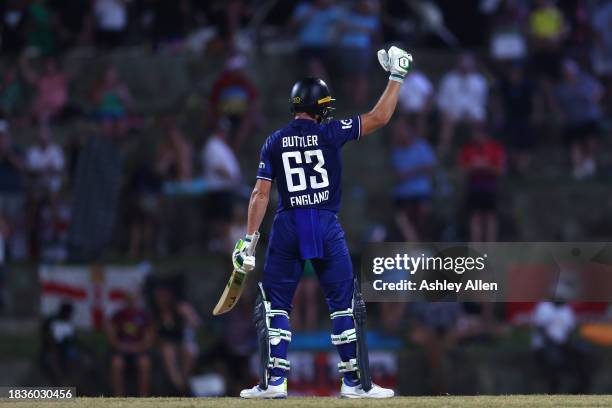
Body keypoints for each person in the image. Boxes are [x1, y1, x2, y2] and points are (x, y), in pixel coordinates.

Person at [233, 45, 413, 399]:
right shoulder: (332, 132)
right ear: (318, 107)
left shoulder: (274, 141)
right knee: (344, 302)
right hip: (325, 222)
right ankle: (355, 383)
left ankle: (273, 383)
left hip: (287, 223)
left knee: (275, 305)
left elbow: (260, 195)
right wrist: (397, 76)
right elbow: (379, 117)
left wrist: (248, 239)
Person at [390, 117, 436, 242]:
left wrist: (410, 173)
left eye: (402, 130)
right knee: (402, 219)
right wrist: (419, 169)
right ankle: (413, 246)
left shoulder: (422, 146)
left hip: (422, 193)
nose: (400, 134)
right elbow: (398, 176)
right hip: (402, 194)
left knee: (423, 213)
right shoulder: (396, 152)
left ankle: (419, 246)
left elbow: (430, 170)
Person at [458, 124, 506, 242]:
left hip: (490, 188)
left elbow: (500, 170)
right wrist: (474, 167)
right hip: (473, 188)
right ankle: (476, 246)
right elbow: (462, 170)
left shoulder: (495, 148)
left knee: (490, 217)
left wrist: (486, 166)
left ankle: (491, 247)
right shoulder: (467, 149)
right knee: (475, 217)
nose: (476, 136)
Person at [152, 285, 200, 395]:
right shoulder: (155, 314)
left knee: (189, 351)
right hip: (164, 344)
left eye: (164, 297)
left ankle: (181, 383)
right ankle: (179, 386)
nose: (162, 300)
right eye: (159, 298)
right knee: (167, 350)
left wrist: (189, 315)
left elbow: (196, 324)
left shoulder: (180, 309)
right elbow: (153, 335)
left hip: (181, 342)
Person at [436, 54, 488, 156]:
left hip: (473, 112)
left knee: (479, 121)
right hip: (453, 112)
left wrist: (470, 113)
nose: (464, 67)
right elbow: (442, 101)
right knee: (447, 123)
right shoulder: (449, 79)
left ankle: (479, 154)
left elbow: (481, 102)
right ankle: (443, 154)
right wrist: (447, 113)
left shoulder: (479, 81)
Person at [107, 294, 155, 397]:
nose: (131, 302)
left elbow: (149, 339)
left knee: (144, 363)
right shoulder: (117, 315)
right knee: (117, 363)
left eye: (134, 299)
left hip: (139, 349)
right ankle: (118, 397)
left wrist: (137, 347)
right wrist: (122, 346)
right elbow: (112, 338)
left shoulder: (144, 316)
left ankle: (143, 397)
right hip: (121, 349)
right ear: (125, 300)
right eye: (129, 299)